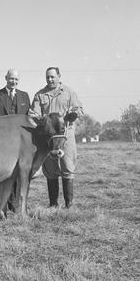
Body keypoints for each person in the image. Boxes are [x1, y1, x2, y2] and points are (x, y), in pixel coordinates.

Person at [31, 67, 83, 208]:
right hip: (49, 138)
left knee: (68, 168)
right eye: (47, 77)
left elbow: (79, 110)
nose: (50, 79)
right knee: (50, 171)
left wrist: (74, 112)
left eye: (53, 77)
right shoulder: (39, 95)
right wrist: (39, 117)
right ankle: (53, 205)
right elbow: (33, 114)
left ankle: (69, 205)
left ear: (59, 76)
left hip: (66, 136)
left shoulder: (69, 92)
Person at [0, 68, 31, 215]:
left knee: (17, 174)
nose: (14, 82)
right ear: (6, 78)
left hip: (19, 143)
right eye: (11, 79)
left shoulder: (24, 96)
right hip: (1, 142)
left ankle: (14, 206)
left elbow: (28, 117)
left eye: (16, 79)